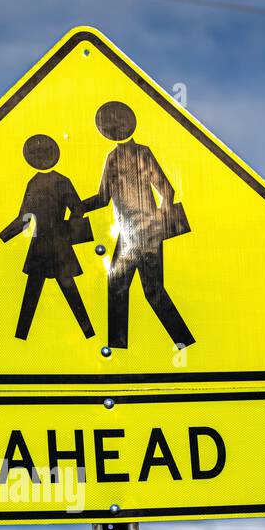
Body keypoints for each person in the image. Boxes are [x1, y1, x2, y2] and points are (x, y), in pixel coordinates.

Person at [83, 100, 194, 350]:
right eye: (111, 125)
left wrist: (161, 218)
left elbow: (167, 189)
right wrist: (75, 208)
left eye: (118, 123)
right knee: (125, 287)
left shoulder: (141, 153)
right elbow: (103, 198)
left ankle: (182, 342)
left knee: (145, 290)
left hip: (145, 232)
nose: (115, 128)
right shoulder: (113, 158)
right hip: (130, 233)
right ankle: (121, 349)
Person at [0, 134, 95, 341]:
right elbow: (78, 209)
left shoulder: (36, 183)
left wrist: (3, 237)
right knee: (58, 291)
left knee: (43, 293)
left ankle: (21, 338)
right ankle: (89, 334)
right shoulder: (59, 181)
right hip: (56, 246)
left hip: (43, 246)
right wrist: (2, 238)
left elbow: (24, 219)